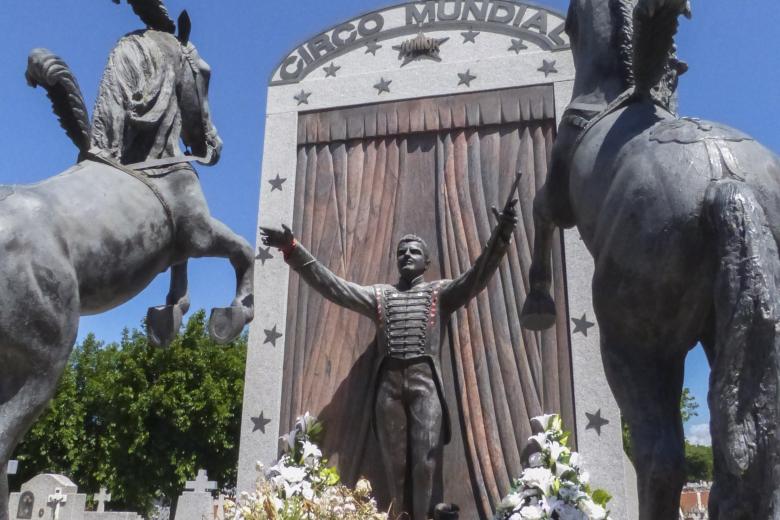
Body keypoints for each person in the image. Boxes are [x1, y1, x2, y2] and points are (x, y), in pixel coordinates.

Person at [260, 197, 517, 520]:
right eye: (401, 252)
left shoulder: (439, 292)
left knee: (426, 463)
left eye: (413, 252)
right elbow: (335, 287)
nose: (406, 255)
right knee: (395, 469)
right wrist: (293, 250)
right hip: (388, 388)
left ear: (426, 262)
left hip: (426, 385)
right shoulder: (381, 295)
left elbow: (477, 275)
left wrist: (502, 234)